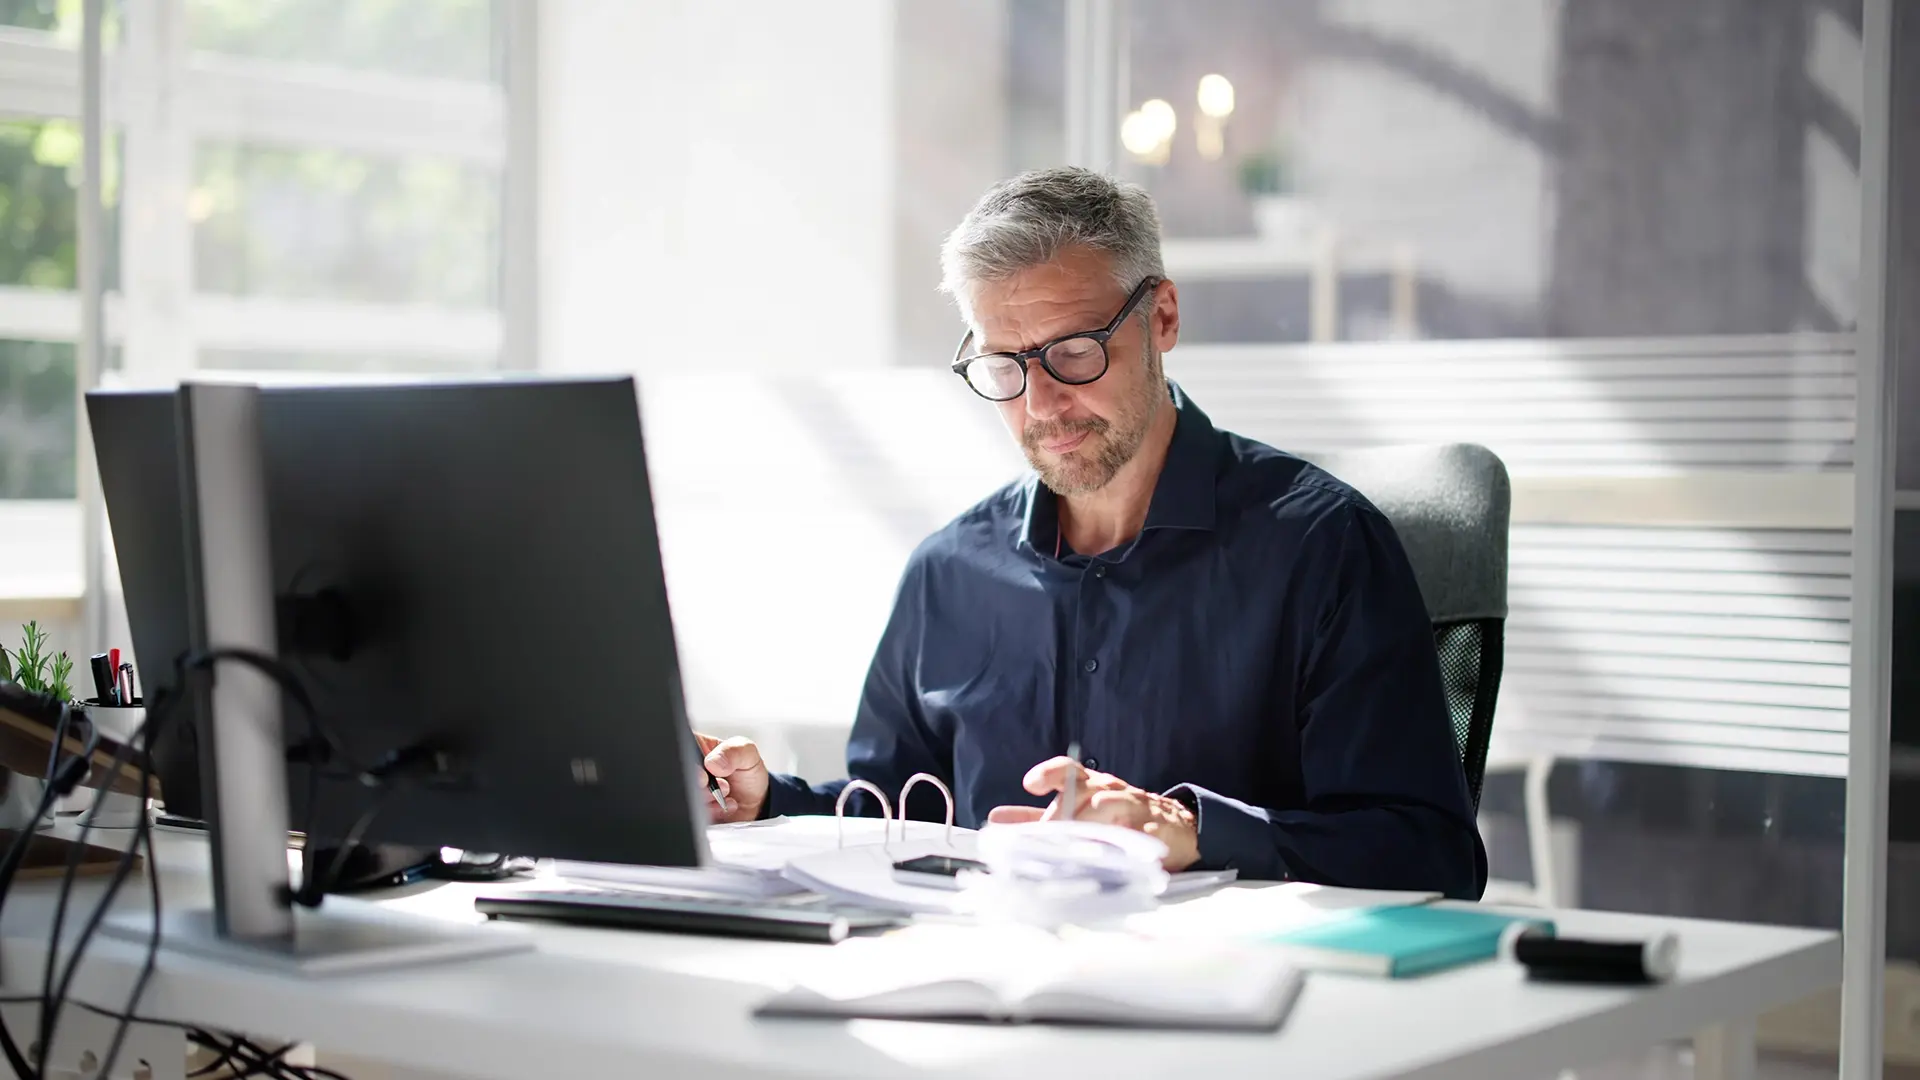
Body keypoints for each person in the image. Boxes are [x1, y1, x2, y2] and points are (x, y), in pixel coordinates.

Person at [697, 166, 1486, 899]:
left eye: (1072, 353)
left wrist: (1192, 831)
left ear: (1163, 318)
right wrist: (767, 801)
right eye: (1005, 365)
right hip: (989, 998)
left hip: (1235, 1008)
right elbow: (897, 817)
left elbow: (1428, 853)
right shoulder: (948, 572)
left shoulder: (1324, 548)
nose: (1040, 405)